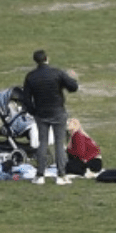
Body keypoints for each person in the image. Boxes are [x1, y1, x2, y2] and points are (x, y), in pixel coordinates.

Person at [23, 49, 78, 185]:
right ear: (47, 58)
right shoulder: (57, 73)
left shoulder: (31, 76)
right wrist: (71, 77)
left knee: (43, 143)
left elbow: (26, 98)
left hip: (41, 113)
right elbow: (73, 87)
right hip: (58, 112)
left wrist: (33, 111)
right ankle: (61, 175)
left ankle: (40, 175)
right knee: (59, 143)